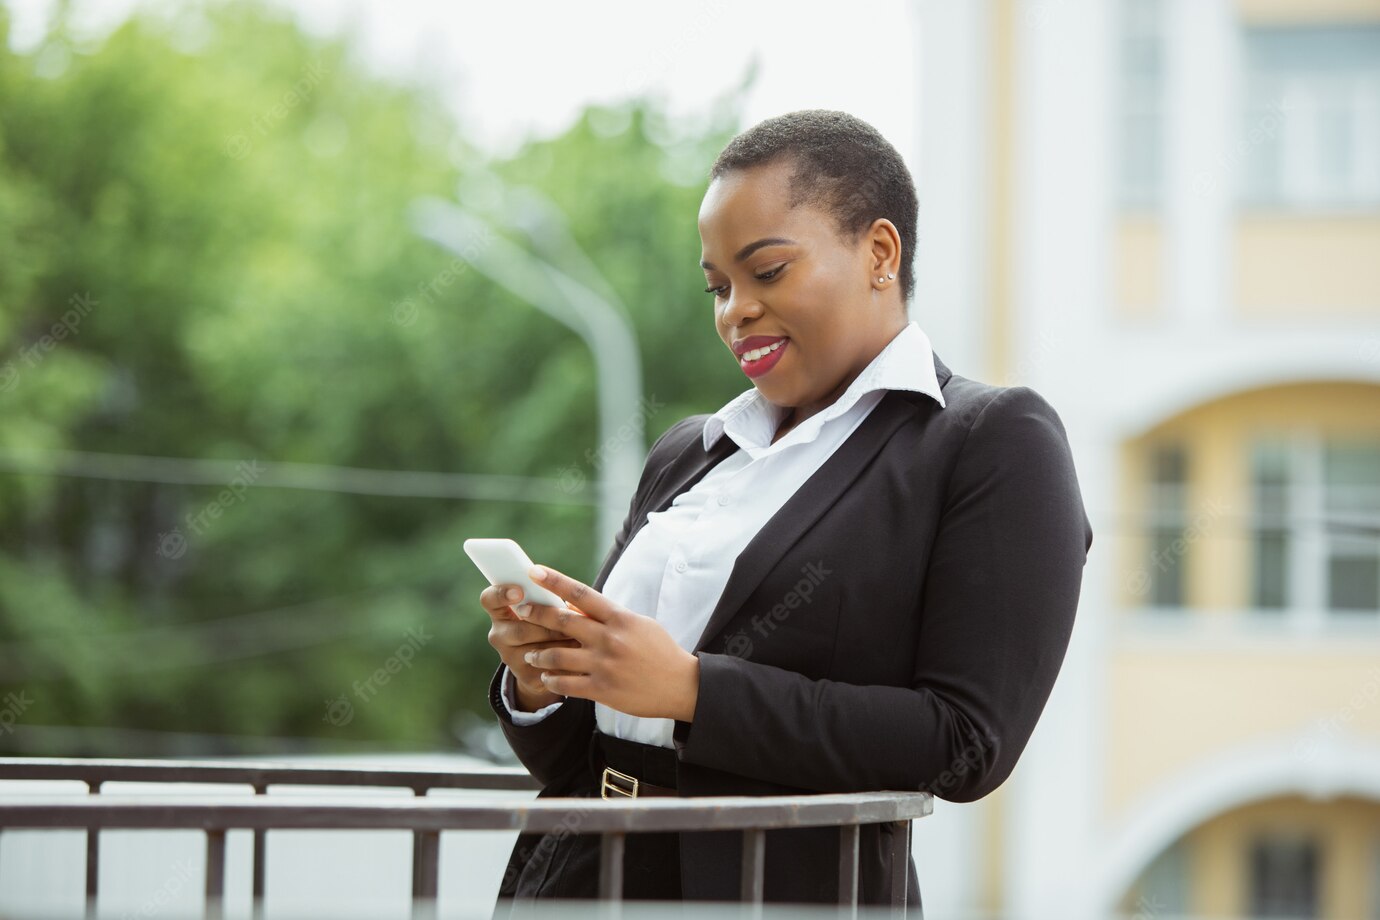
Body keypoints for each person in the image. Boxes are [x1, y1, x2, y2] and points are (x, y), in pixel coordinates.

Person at [480, 109, 1093, 916]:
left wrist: (694, 690)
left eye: (766, 272)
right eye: (718, 287)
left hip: (774, 894)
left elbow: (963, 743)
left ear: (880, 252)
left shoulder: (987, 441)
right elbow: (574, 750)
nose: (735, 310)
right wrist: (543, 682)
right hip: (574, 882)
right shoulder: (691, 452)